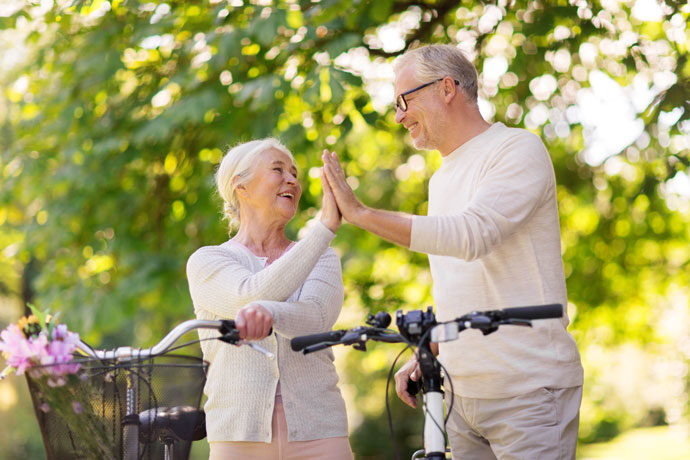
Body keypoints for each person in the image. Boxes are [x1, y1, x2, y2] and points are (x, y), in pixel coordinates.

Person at [321, 44, 584, 459]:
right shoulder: (440, 182)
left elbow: (472, 235)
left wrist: (360, 213)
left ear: (446, 88)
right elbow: (464, 284)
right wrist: (434, 346)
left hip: (527, 389)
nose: (399, 116)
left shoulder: (516, 149)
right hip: (461, 395)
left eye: (404, 101)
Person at [186, 138, 353, 459]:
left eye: (294, 173)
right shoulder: (207, 260)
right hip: (238, 436)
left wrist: (269, 315)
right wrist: (324, 227)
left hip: (320, 432)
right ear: (241, 187)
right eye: (278, 170)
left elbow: (316, 319)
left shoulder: (321, 256)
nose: (292, 180)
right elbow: (248, 295)